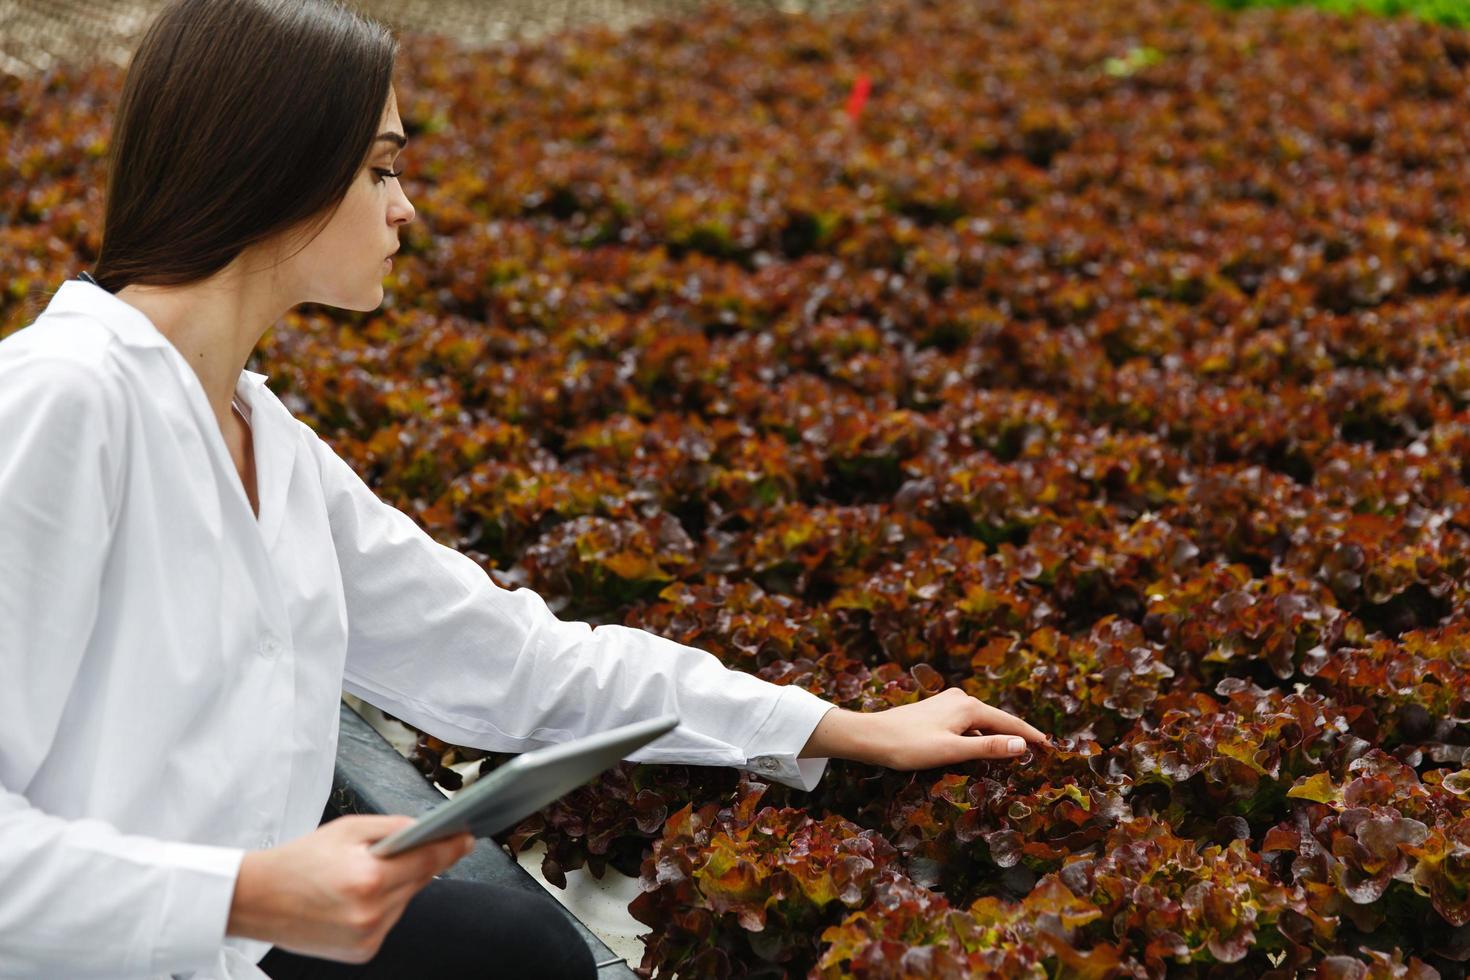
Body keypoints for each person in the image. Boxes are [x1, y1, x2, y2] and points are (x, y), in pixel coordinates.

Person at [0, 0, 1050, 977]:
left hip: (231, 939)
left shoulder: (260, 434)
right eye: (379, 169)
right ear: (276, 171)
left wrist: (836, 723)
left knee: (521, 949)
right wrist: (245, 887)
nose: (407, 207)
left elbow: (515, 656)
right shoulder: (63, 404)